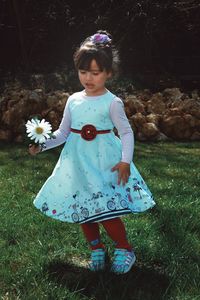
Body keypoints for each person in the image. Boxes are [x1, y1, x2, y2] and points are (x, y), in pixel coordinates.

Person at [29, 30, 155, 274]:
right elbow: (63, 133)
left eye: (95, 73)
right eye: (83, 71)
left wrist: (125, 161)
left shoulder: (112, 102)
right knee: (83, 209)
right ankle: (96, 248)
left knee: (106, 211)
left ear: (108, 73)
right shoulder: (73, 100)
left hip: (104, 162)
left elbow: (126, 133)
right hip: (77, 163)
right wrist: (42, 144)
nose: (88, 77)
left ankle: (124, 248)